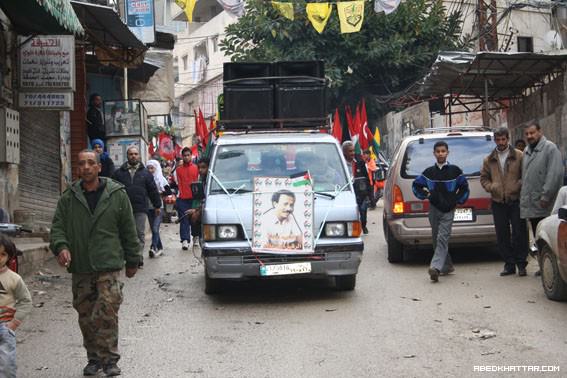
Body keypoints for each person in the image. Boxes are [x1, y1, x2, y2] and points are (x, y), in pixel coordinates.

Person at [49, 150, 140, 376]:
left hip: (107, 264)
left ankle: (109, 360)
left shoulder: (116, 194)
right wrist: (61, 247)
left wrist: (133, 259)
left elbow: (129, 229)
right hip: (81, 266)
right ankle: (93, 358)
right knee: (86, 315)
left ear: (99, 167)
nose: (86, 167)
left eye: (91, 163)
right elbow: (57, 228)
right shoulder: (68, 198)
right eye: (82, 164)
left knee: (107, 311)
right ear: (78, 169)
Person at [412, 141, 469, 282]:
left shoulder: (455, 171)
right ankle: (447, 266)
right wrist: (427, 195)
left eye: (443, 151)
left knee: (442, 238)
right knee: (436, 239)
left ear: (447, 153)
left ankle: (435, 268)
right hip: (434, 209)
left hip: (448, 210)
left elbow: (464, 188)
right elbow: (416, 185)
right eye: (438, 151)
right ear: (434, 153)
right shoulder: (428, 173)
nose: (440, 153)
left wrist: (456, 200)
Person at [480, 127, 528, 276]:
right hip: (498, 201)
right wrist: (491, 187)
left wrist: (518, 185)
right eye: (498, 139)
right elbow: (484, 178)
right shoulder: (489, 159)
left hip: (516, 200)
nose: (501, 142)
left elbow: (525, 174)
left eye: (503, 139)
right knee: (502, 234)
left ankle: (521, 264)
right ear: (495, 140)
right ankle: (509, 264)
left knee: (519, 233)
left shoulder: (519, 155)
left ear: (508, 139)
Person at [519, 121, 564, 275]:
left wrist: (545, 196)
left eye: (532, 133)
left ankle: (553, 268)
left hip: (546, 203)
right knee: (538, 236)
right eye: (527, 134)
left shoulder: (550, 148)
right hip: (532, 204)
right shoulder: (526, 151)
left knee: (548, 237)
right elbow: (526, 178)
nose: (530, 136)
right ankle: (542, 266)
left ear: (540, 132)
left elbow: (555, 174)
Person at [112, 146, 162, 267]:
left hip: (140, 208)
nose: (133, 156)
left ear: (139, 156)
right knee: (125, 233)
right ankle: (127, 256)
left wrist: (157, 206)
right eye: (131, 154)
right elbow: (112, 190)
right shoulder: (119, 173)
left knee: (139, 233)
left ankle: (138, 257)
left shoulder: (146, 173)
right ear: (127, 156)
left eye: (135, 154)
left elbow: (153, 191)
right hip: (123, 209)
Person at [0, 235, 32, 378]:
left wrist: (14, 323)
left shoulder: (14, 278)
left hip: (4, 326)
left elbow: (25, 301)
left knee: (7, 365)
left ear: (9, 257)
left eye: (2, 254)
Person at [342, 141, 372, 234]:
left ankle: (363, 225)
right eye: (350, 151)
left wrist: (369, 194)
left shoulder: (360, 162)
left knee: (363, 210)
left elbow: (366, 178)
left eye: (353, 151)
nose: (353, 153)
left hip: (360, 192)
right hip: (346, 192)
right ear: (344, 152)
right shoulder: (340, 163)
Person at [175, 147, 199, 250]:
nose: (186, 157)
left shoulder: (196, 168)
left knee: (194, 219)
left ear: (191, 155)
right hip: (183, 198)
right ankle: (185, 240)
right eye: (184, 155)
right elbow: (177, 183)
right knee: (184, 219)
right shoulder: (178, 170)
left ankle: (196, 237)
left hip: (194, 198)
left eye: (188, 155)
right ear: (182, 156)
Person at [146, 160, 170, 258]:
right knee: (153, 229)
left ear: (156, 168)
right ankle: (160, 247)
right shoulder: (145, 179)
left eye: (152, 168)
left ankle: (153, 247)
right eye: (148, 168)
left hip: (159, 207)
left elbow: (168, 192)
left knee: (155, 228)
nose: (150, 170)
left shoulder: (161, 179)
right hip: (148, 207)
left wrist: (159, 193)